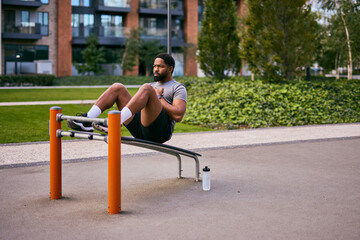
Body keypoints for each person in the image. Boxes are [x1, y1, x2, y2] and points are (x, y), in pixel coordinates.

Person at [67, 53, 187, 143]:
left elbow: (178, 115)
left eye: (159, 66)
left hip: (159, 132)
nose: (155, 69)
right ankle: (87, 121)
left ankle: (115, 123)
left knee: (146, 88)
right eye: (154, 66)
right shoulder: (151, 86)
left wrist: (159, 98)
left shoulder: (177, 87)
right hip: (139, 128)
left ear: (170, 69)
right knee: (117, 87)